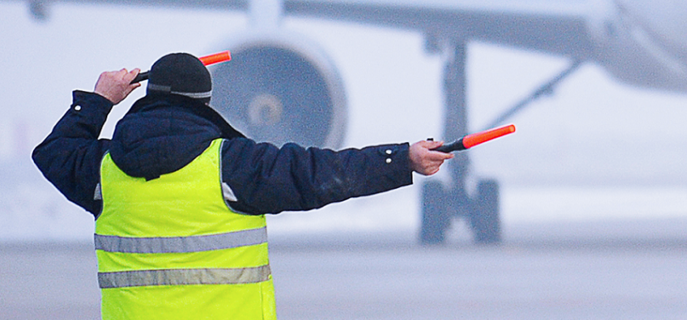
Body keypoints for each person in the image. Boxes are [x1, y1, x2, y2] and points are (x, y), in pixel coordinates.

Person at [33, 52, 451, 320]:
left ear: (147, 98)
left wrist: (100, 99)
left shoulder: (103, 173)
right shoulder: (233, 166)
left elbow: (54, 151)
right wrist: (402, 159)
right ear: (204, 103)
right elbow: (322, 173)